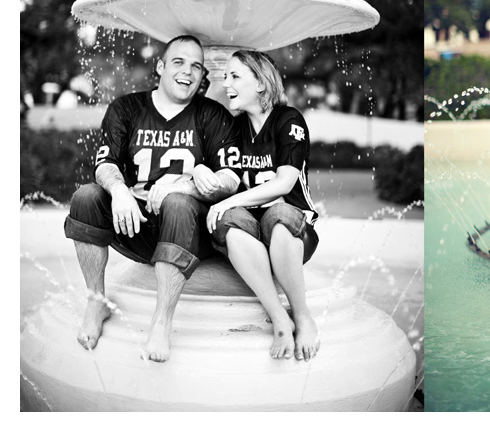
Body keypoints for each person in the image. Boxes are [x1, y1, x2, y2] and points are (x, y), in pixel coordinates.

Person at [64, 35, 241, 362]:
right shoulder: (127, 108)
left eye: (197, 66)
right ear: (160, 66)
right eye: (179, 61)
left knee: (178, 202)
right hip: (137, 224)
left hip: (190, 229)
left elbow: (231, 180)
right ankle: (95, 299)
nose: (188, 71)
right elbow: (105, 163)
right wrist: (118, 191)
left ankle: (162, 320)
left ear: (203, 77)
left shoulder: (212, 115)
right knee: (87, 197)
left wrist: (184, 187)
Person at [191, 50, 320, 362]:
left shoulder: (288, 120)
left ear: (262, 83)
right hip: (250, 232)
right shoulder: (235, 129)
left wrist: (232, 200)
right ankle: (279, 317)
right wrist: (198, 170)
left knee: (277, 213)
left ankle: (302, 316)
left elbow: (284, 183)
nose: (226, 84)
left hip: (292, 230)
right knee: (230, 223)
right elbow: (214, 169)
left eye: (235, 76)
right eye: (225, 77)